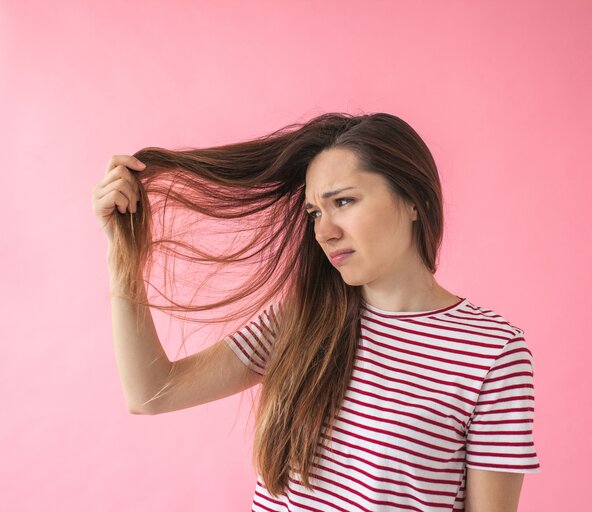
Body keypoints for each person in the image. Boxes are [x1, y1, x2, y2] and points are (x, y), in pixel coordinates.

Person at [91, 112, 541, 511]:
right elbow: (152, 392)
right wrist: (123, 254)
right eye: (313, 212)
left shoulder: (492, 352)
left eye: (343, 202)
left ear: (412, 200)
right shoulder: (300, 321)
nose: (323, 231)